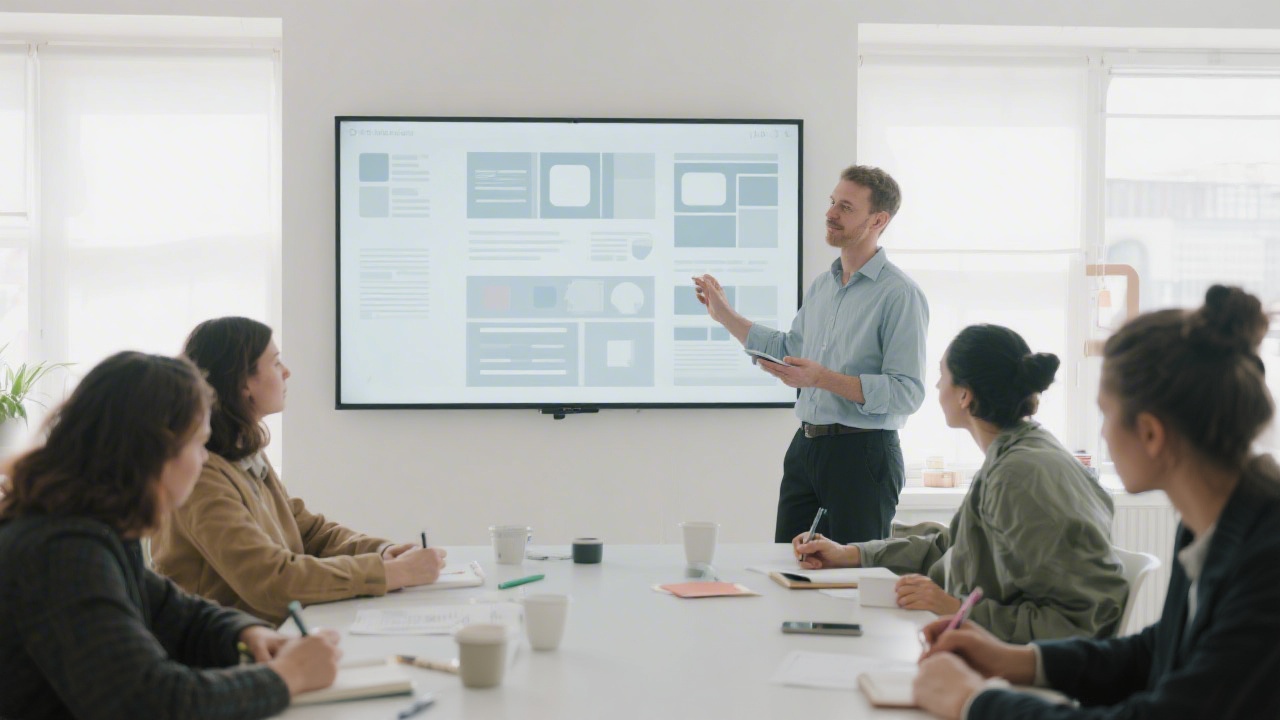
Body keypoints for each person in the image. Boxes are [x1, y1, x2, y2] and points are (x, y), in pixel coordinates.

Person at [913, 285, 1280, 719]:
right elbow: (1158, 650)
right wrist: (1020, 661)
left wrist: (974, 701)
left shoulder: (1266, 558)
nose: (1103, 434)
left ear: (1150, 433)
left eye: (1106, 413)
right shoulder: (1213, 522)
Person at [0, 351, 341, 719]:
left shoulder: (91, 528)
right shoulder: (62, 551)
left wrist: (245, 634)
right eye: (199, 444)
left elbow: (177, 613)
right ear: (155, 451)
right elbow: (150, 704)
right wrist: (289, 674)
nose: (205, 459)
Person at [793, 324, 1127, 642]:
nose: (938, 387)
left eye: (942, 375)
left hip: (1039, 669)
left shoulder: (1019, 475)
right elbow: (953, 547)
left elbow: (1074, 626)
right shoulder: (1017, 453)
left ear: (965, 395)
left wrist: (954, 608)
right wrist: (850, 553)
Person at [151, 317, 446, 625]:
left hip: (269, 633)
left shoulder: (243, 452)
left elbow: (306, 531)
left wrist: (383, 551)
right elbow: (272, 578)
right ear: (243, 383)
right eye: (276, 362)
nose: (287, 372)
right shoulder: (202, 475)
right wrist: (393, 573)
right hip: (228, 645)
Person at [694, 165, 929, 544]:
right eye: (833, 202)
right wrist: (725, 316)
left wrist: (822, 379)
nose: (831, 213)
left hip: (862, 454)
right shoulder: (823, 286)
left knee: (853, 572)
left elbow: (907, 393)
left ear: (878, 220)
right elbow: (790, 351)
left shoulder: (900, 294)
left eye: (846, 207)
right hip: (806, 448)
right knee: (787, 565)